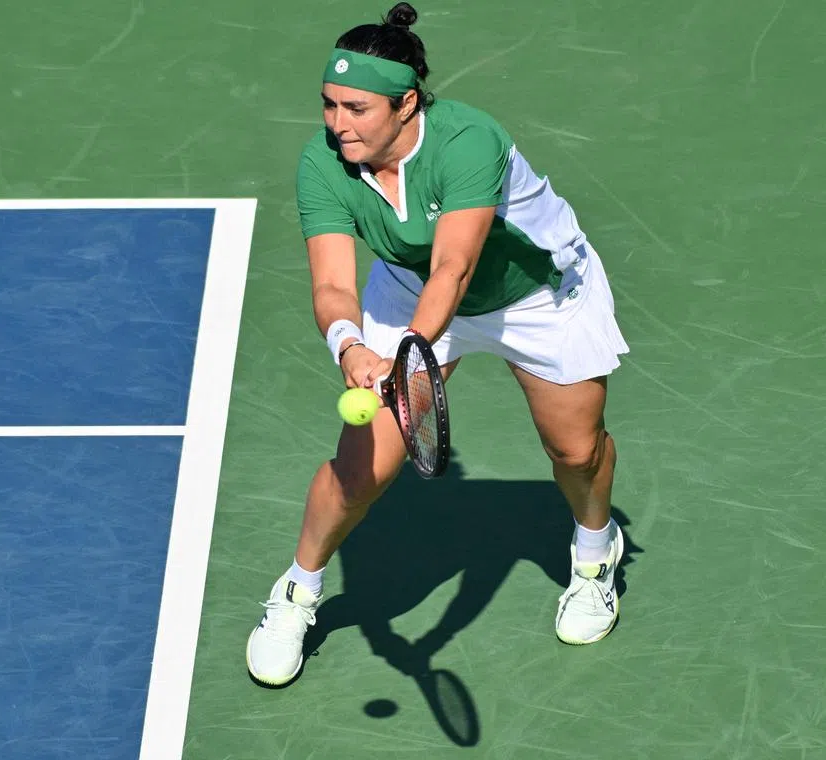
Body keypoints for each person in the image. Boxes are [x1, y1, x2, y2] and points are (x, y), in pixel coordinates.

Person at [246, 2, 630, 687]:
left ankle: (595, 555)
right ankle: (298, 592)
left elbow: (455, 264)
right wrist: (350, 346)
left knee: (576, 450)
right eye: (330, 105)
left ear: (406, 104)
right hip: (410, 292)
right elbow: (332, 285)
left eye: (357, 108)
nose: (338, 123)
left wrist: (408, 353)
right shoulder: (323, 162)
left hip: (535, 296)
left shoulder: (468, 141)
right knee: (361, 470)